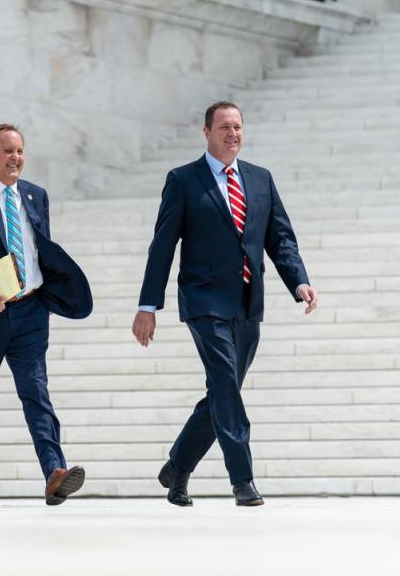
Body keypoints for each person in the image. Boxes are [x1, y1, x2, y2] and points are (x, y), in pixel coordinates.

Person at [133, 101, 319, 507]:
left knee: (224, 390)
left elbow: (280, 239)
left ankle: (178, 467)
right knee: (224, 384)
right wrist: (148, 305)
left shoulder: (260, 179)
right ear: (207, 132)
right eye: (224, 127)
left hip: (248, 302)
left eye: (237, 127)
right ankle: (242, 479)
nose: (232, 133)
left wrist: (299, 281)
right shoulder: (183, 180)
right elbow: (162, 246)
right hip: (203, 301)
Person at [0, 124, 93, 508]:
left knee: (36, 392)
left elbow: (38, 246)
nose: (16, 158)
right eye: (8, 151)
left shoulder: (35, 195)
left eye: (20, 151)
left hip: (31, 310)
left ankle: (54, 473)